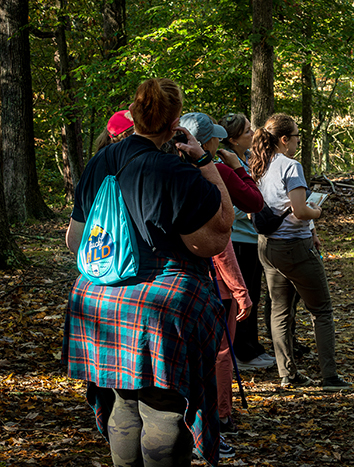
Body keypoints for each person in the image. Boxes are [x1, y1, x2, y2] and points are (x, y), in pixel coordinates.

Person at [63, 78, 236, 466]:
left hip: (98, 302)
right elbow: (215, 237)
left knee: (123, 397)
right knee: (162, 404)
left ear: (135, 114)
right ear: (175, 123)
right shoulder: (176, 170)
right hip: (160, 305)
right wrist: (206, 163)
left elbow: (75, 240)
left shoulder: (100, 162)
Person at [179, 112, 264, 455]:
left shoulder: (166, 171)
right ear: (202, 143)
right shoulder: (214, 174)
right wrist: (240, 289)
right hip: (215, 280)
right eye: (211, 139)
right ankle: (218, 417)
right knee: (219, 353)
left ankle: (191, 420)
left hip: (177, 281)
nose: (216, 142)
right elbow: (250, 207)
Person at [249, 113, 351, 391]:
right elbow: (300, 209)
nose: (297, 142)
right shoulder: (290, 166)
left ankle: (287, 373)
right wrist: (317, 211)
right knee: (322, 310)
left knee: (280, 311)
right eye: (296, 137)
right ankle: (329, 376)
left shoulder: (257, 166)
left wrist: (313, 230)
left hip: (267, 247)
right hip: (294, 247)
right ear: (284, 139)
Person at [217, 112, 275, 370]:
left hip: (254, 237)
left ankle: (252, 346)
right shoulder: (225, 164)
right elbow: (233, 205)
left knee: (254, 294)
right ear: (232, 139)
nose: (254, 134)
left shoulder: (248, 160)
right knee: (243, 295)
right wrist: (254, 209)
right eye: (247, 132)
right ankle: (242, 352)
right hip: (239, 239)